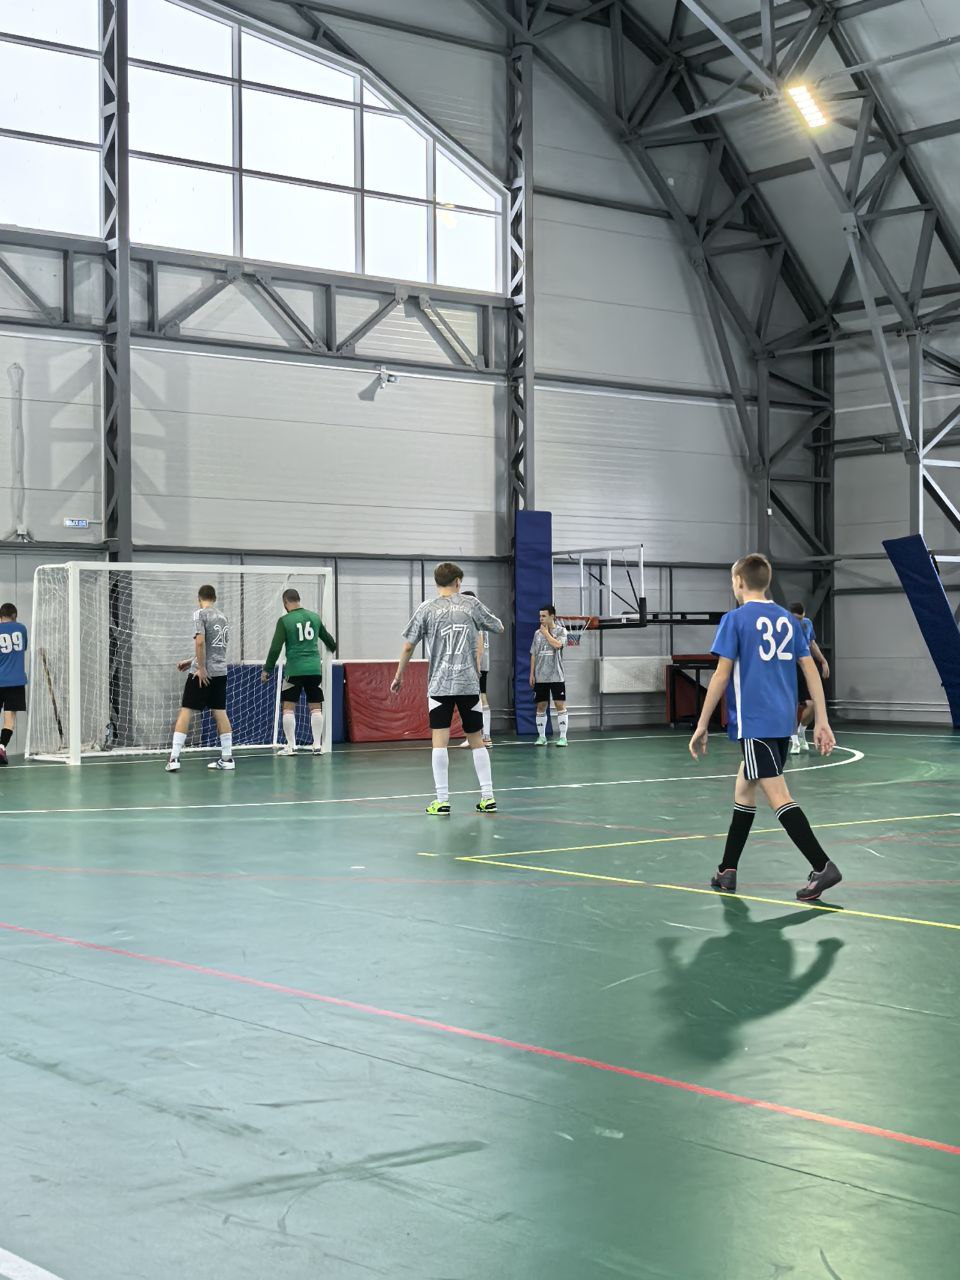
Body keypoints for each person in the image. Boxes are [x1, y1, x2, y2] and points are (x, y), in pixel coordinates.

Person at [688, 553, 842, 902]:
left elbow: (721, 675)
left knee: (779, 797)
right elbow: (810, 669)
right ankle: (727, 869)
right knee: (744, 789)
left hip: (755, 723)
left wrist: (702, 723)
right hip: (783, 723)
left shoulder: (734, 620)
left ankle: (822, 866)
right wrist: (821, 719)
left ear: (738, 582)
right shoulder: (789, 620)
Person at [392, 562, 504, 815]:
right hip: (468, 684)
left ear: (436, 582)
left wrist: (399, 675)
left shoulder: (427, 608)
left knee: (439, 741)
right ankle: (488, 797)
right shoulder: (471, 605)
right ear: (458, 582)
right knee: (476, 740)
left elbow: (408, 646)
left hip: (440, 685)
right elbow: (498, 626)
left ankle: (442, 800)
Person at [166, 585, 234, 772]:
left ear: (199, 599)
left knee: (186, 710)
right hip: (220, 671)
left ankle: (174, 758)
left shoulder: (200, 614)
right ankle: (227, 758)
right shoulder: (223, 617)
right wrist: (191, 661)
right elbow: (214, 648)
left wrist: (201, 667)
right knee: (220, 711)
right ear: (215, 598)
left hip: (202, 673)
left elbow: (201, 642)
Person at [261, 588, 337, 755]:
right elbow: (329, 640)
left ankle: (291, 746)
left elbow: (275, 648)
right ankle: (317, 745)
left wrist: (267, 668)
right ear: (298, 599)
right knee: (315, 707)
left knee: (288, 707)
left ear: (285, 603)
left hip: (294, 670)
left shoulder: (285, 621)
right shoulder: (315, 617)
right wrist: (333, 647)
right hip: (314, 669)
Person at [789, 602, 830, 754]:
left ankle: (801, 731)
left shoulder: (807, 624)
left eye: (801, 618)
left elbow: (812, 644)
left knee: (812, 704)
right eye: (796, 619)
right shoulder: (783, 625)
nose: (799, 622)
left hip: (805, 667)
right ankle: (794, 740)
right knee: (791, 705)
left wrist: (823, 661)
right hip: (789, 668)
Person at [530, 605, 568, 747]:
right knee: (541, 706)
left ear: (552, 616)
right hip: (540, 677)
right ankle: (541, 737)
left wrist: (546, 633)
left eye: (544, 616)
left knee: (559, 704)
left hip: (556, 676)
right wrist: (532, 674)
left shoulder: (561, 631)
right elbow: (533, 654)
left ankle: (563, 738)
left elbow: (558, 645)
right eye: (540, 616)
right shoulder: (536, 634)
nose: (541, 618)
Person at [459, 590, 493, 748]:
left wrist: (477, 664)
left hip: (476, 663)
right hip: (477, 663)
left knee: (479, 697)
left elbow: (479, 644)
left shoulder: (475, 617)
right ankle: (476, 736)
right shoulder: (481, 616)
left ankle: (485, 737)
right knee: (475, 698)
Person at [0, 602, 28, 767]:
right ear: (14, 616)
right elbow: (23, 648)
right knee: (9, 720)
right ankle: (1, 747)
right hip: (16, 681)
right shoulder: (21, 628)